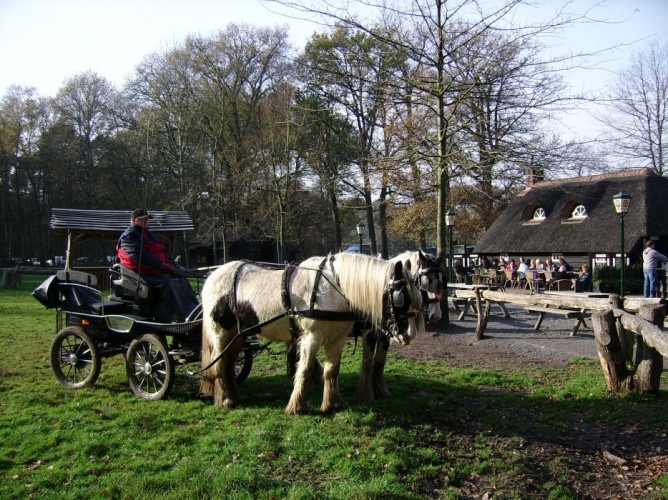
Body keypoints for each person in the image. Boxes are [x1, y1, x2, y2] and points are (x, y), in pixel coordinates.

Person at [116, 209, 195, 321]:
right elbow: (138, 256)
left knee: (181, 280)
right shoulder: (129, 236)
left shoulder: (149, 235)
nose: (146, 222)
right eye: (142, 220)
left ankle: (193, 311)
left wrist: (172, 265)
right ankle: (179, 317)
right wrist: (161, 265)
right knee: (168, 283)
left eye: (147, 219)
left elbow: (162, 252)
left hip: (156, 270)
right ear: (133, 220)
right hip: (141, 273)